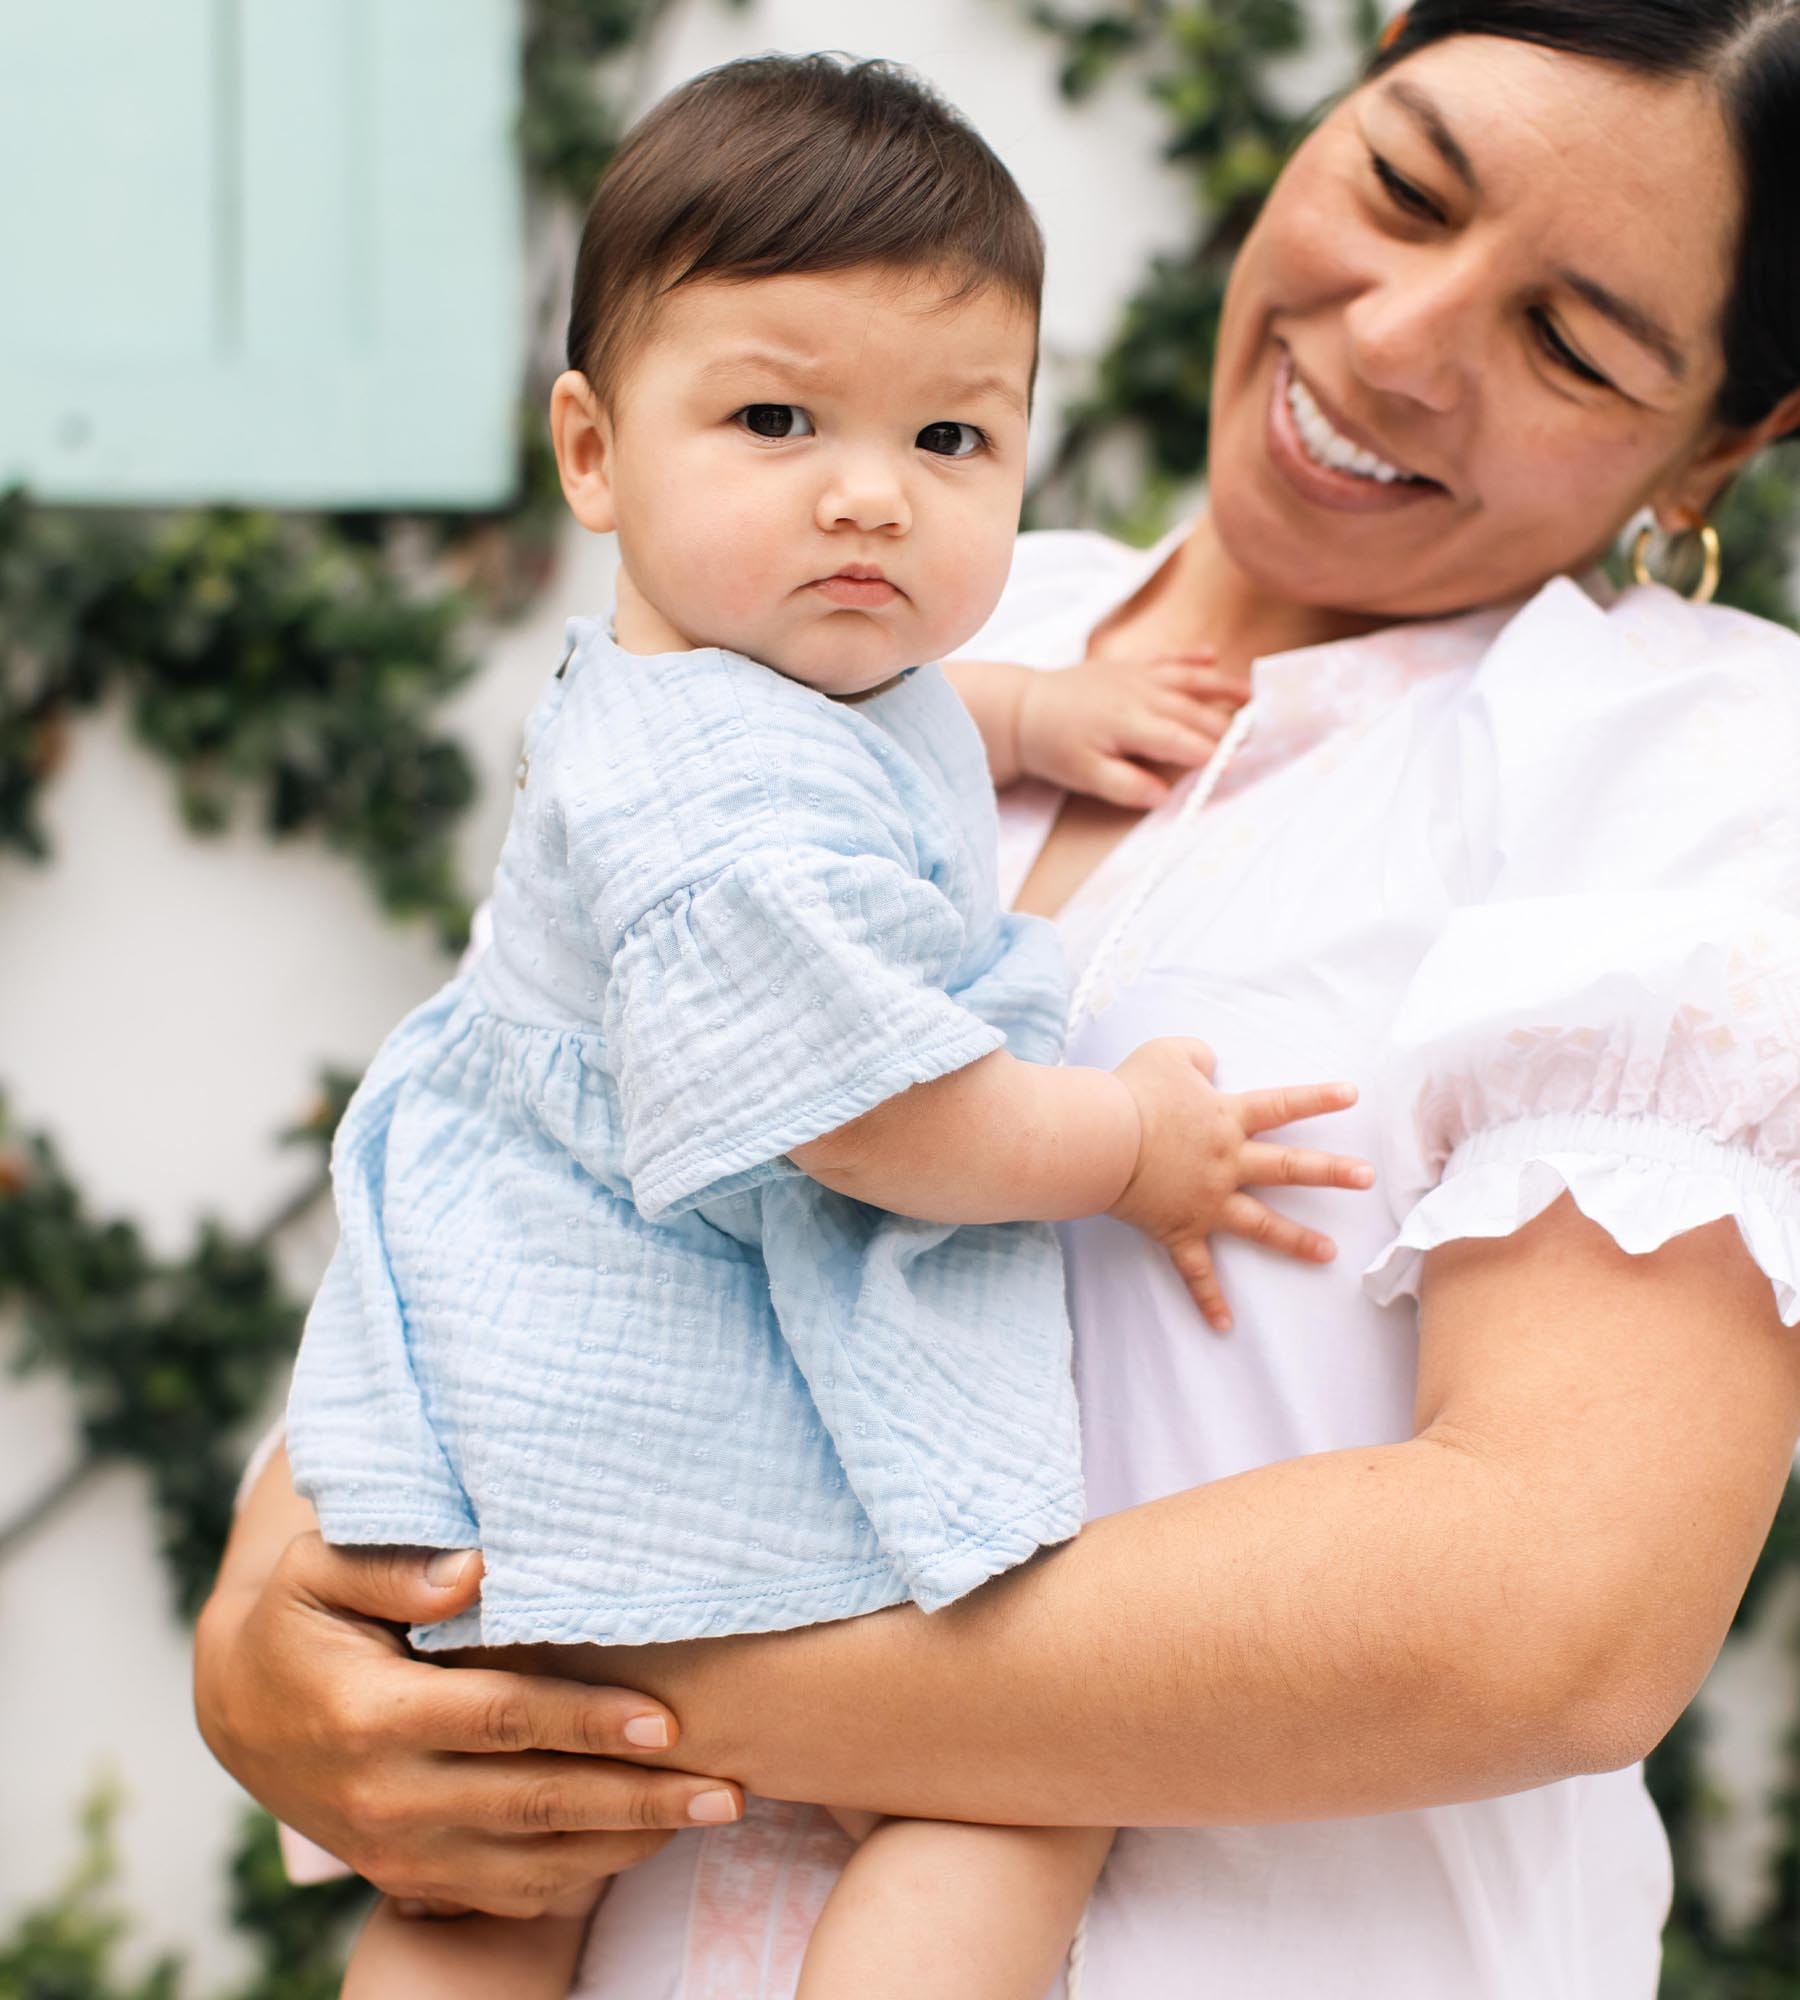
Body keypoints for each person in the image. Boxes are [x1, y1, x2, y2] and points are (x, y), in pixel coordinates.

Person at [195, 5, 1800, 1995]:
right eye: (1401, 183)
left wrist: (599, 1660)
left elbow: (1549, 1611)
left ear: (1732, 432)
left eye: (1573, 342)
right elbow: (523, 1160)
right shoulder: (909, 613)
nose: (1397, 338)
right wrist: (276, 1638)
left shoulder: (1686, 766)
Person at [281, 53, 1370, 2000]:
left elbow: (888, 703)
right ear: (594, 452)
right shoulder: (727, 824)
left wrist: (1030, 716)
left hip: (520, 1397)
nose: (870, 492)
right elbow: (884, 1122)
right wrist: (1129, 1145)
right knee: (1008, 1797)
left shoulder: (748, 660)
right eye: (776, 416)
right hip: (650, 1398)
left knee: (495, 1885)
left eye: (952, 439)